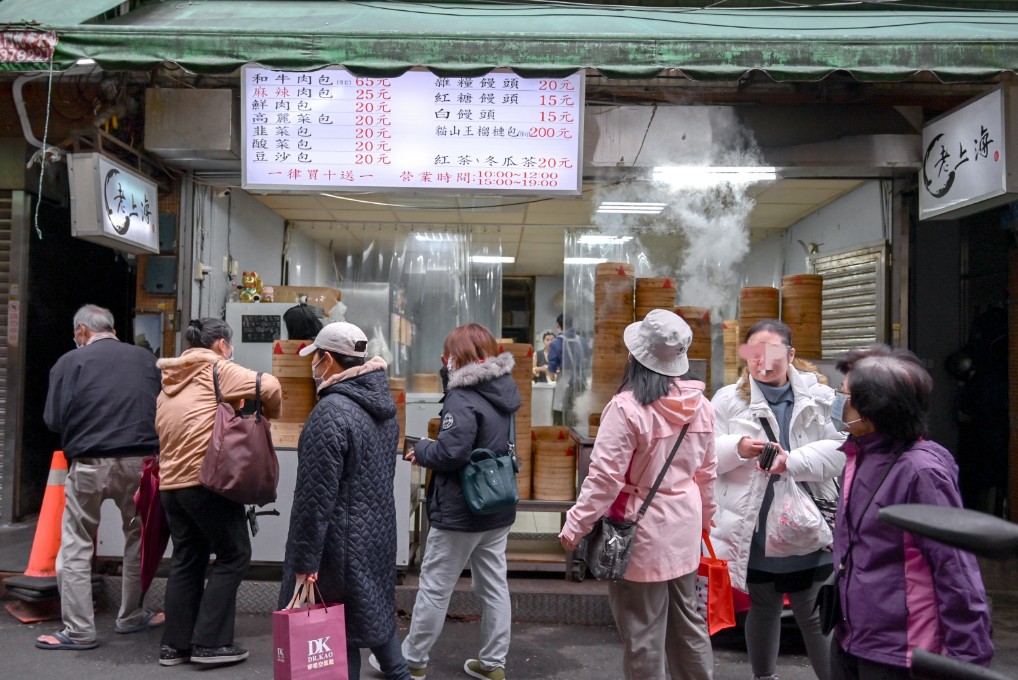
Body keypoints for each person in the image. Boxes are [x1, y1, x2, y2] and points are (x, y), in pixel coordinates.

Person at [559, 309, 717, 680]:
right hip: (686, 526)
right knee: (688, 624)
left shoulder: (627, 408)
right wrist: (708, 519)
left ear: (635, 357)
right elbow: (707, 474)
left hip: (641, 529)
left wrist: (575, 526)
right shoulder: (702, 406)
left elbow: (603, 478)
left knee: (643, 630)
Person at [829, 344, 993, 679]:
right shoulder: (858, 453)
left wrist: (968, 657)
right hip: (852, 637)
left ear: (875, 408)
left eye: (844, 395)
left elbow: (955, 569)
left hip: (900, 651)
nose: (836, 402)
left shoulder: (921, 472)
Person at [374, 323, 520, 680]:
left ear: (457, 358)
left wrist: (421, 448)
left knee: (436, 588)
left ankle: (412, 659)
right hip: (497, 505)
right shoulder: (504, 390)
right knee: (494, 587)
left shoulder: (462, 396)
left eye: (448, 355)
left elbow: (452, 452)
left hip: (461, 510)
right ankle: (492, 664)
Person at [710, 319, 844, 680]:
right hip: (750, 524)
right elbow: (703, 453)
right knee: (763, 606)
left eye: (772, 353)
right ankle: (763, 677)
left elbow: (843, 449)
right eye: (754, 354)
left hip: (810, 522)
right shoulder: (726, 400)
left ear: (791, 354)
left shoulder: (822, 398)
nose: (763, 363)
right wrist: (736, 448)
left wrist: (793, 462)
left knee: (813, 612)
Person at [279, 322, 411, 680]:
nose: (313, 365)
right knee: (375, 622)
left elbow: (314, 499)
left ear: (327, 359)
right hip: (376, 536)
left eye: (316, 357)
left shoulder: (331, 413)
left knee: (337, 636)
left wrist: (305, 561)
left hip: (339, 546)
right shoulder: (382, 407)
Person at [154, 318, 281, 666]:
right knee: (234, 555)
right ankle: (209, 643)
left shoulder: (170, 380)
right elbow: (269, 387)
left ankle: (174, 646)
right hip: (206, 483)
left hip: (172, 487)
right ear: (222, 344)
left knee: (187, 558)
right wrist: (273, 413)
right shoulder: (217, 369)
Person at [36, 304, 164, 651]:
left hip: (90, 462)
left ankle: (79, 631)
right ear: (113, 331)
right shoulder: (146, 359)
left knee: (77, 542)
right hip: (141, 463)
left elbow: (53, 419)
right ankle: (131, 616)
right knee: (137, 537)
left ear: (81, 332)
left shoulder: (69, 363)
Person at [547, 314, 589, 426]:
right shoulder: (583, 341)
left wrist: (552, 375)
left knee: (562, 419)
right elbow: (587, 362)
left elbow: (551, 369)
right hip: (582, 382)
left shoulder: (556, 343)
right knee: (579, 417)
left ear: (558, 325)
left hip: (565, 384)